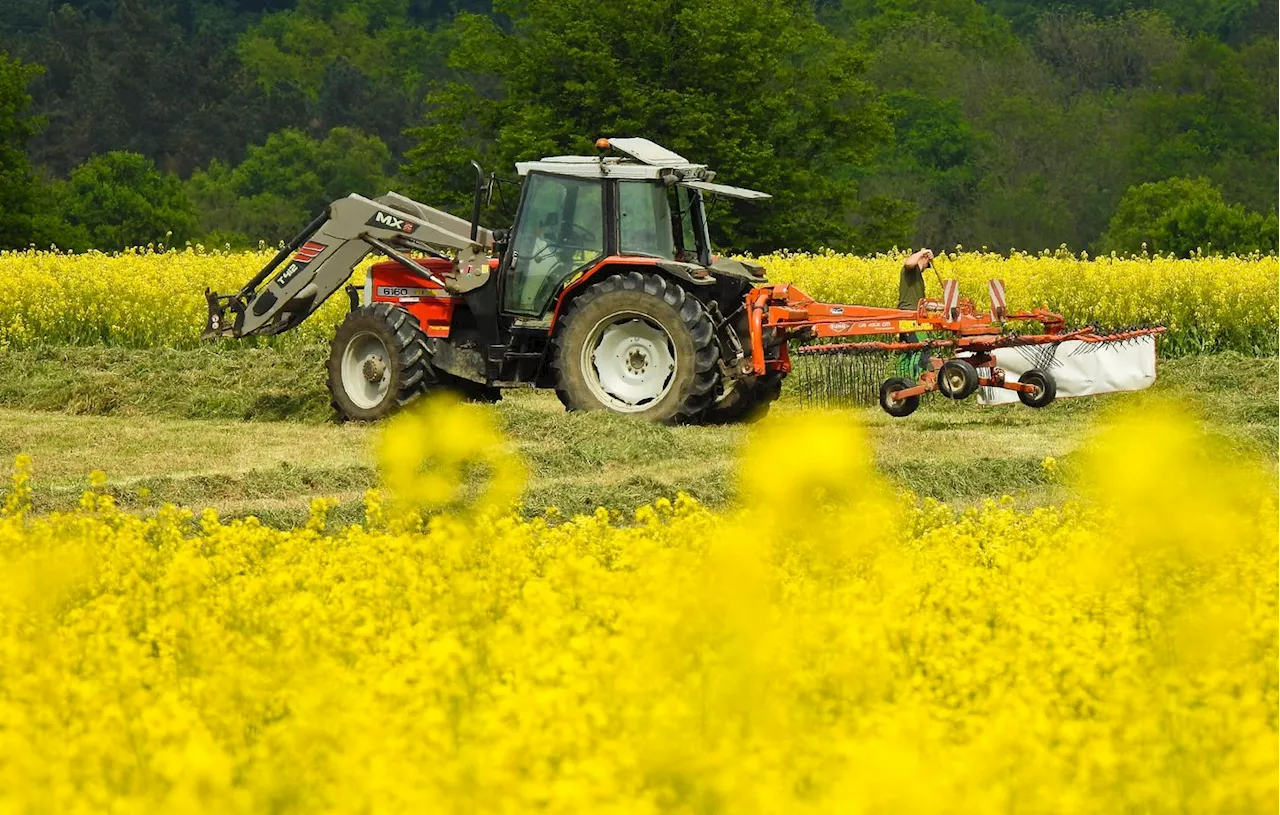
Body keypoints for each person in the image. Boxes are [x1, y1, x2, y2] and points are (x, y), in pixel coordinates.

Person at [897, 248, 934, 378]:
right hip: (910, 315)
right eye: (927, 264)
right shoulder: (910, 271)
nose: (926, 268)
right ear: (923, 259)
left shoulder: (918, 277)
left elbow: (922, 302)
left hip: (912, 314)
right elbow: (908, 263)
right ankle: (918, 378)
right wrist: (922, 252)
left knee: (906, 349)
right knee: (923, 345)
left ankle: (903, 380)